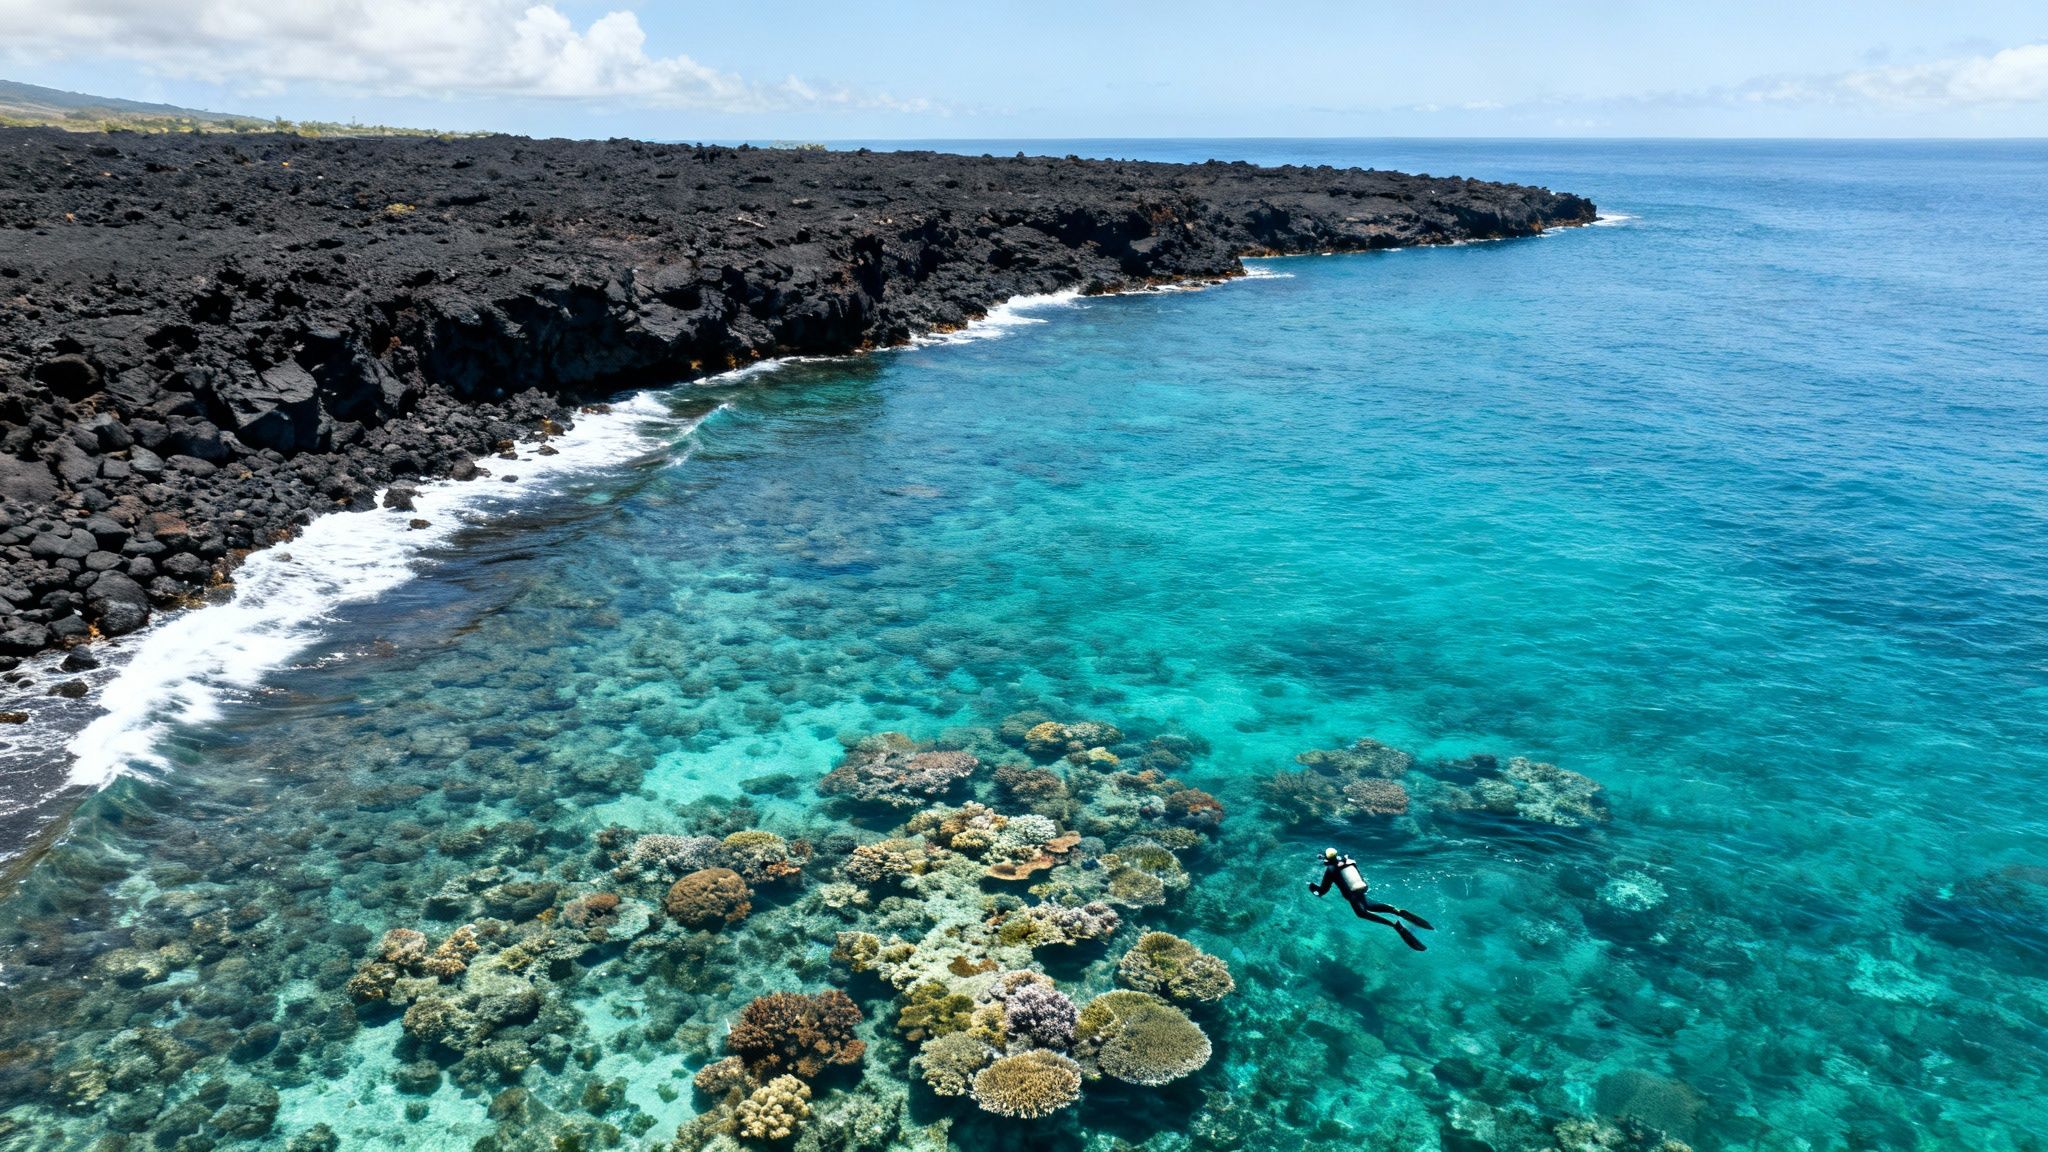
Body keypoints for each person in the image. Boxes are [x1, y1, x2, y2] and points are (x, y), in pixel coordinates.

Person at [1309, 847, 1436, 951]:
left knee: (1361, 913)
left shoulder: (1331, 870)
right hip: (1361, 890)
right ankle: (1396, 911)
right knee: (1368, 905)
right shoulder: (1349, 862)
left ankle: (1394, 924)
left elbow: (1324, 889)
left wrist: (1315, 890)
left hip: (1353, 896)